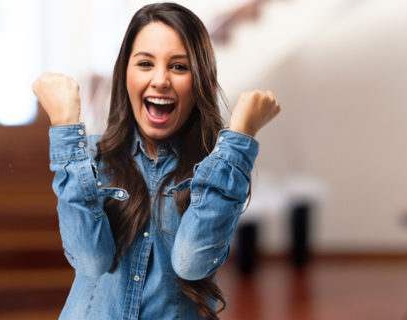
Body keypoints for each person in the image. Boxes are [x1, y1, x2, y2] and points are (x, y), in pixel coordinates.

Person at [32, 3, 280, 320]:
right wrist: (65, 128)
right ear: (125, 75)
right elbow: (90, 259)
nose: (160, 80)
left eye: (179, 67)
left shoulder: (215, 170)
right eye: (145, 63)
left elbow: (192, 261)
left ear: (199, 79)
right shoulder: (89, 160)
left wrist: (240, 136)